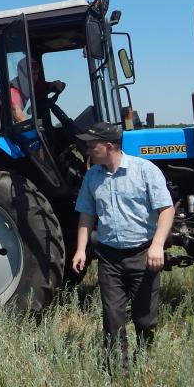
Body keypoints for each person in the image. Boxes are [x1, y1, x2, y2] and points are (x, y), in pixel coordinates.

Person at [70, 122, 174, 369]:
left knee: (144, 318)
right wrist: (81, 249)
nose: (86, 149)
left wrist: (157, 245)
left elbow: (167, 209)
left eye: (91, 145)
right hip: (109, 257)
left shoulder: (145, 170)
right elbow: (86, 214)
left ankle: (145, 360)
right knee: (113, 316)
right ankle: (119, 369)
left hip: (143, 255)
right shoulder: (92, 176)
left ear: (108, 146)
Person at [0, 57, 66, 129]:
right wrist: (32, 128)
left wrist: (57, 85)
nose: (35, 77)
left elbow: (53, 85)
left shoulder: (30, 86)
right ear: (23, 74)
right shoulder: (13, 91)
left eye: (36, 73)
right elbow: (18, 114)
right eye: (32, 73)